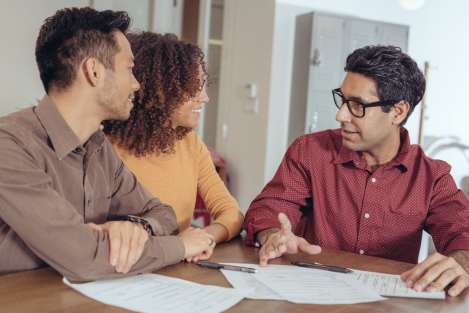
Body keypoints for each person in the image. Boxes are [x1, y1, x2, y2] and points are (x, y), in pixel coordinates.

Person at [0, 7, 214, 281]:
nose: (137, 84)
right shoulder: (10, 145)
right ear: (94, 72)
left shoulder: (98, 147)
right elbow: (84, 258)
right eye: (130, 68)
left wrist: (134, 227)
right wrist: (181, 246)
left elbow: (162, 214)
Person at [243, 45, 469, 296]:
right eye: (342, 100)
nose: (341, 115)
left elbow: (461, 229)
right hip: (309, 297)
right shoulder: (310, 151)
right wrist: (273, 234)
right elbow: (271, 206)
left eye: (357, 105)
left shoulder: (431, 177)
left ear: (398, 111)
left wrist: (460, 262)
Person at [103, 32, 243, 262]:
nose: (204, 98)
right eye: (193, 88)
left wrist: (205, 237)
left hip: (177, 265)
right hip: (126, 267)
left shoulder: (192, 145)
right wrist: (180, 244)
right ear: (160, 91)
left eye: (203, 86)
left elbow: (231, 213)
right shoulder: (106, 148)